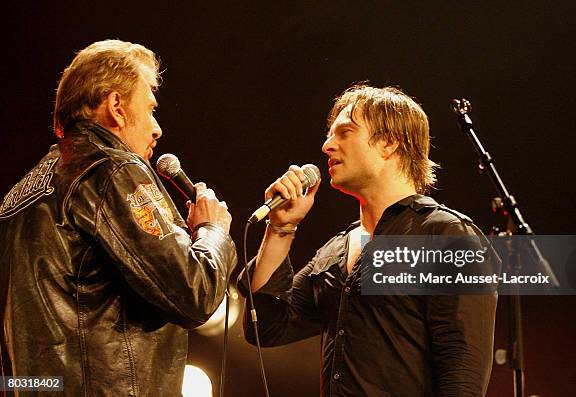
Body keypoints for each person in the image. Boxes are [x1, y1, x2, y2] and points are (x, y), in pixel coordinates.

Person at [0, 40, 237, 395]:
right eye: (150, 109)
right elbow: (194, 293)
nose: (157, 128)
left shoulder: (14, 198)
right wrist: (212, 230)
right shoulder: (113, 168)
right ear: (117, 107)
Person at [240, 85, 497, 396]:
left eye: (344, 132)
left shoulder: (446, 236)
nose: (326, 146)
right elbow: (265, 328)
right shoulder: (337, 249)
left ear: (389, 142)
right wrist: (281, 228)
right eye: (329, 135)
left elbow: (463, 378)